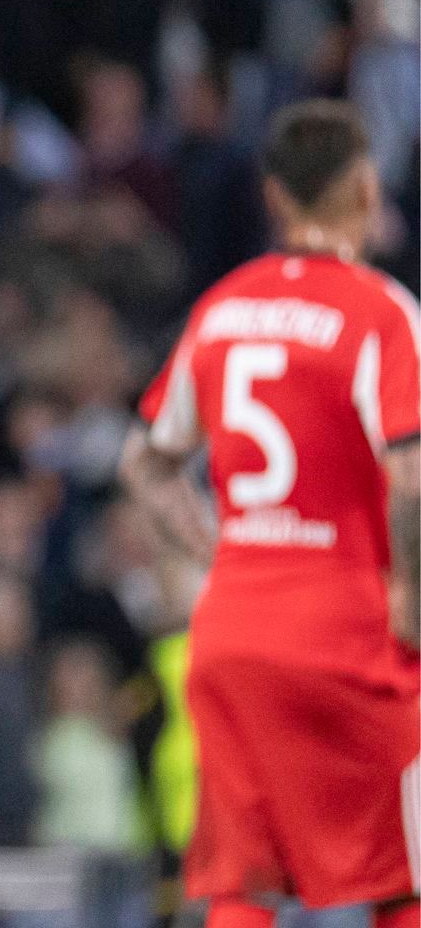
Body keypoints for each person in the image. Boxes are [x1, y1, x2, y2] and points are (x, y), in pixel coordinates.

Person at [120, 99, 419, 928]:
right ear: (364, 187)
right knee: (404, 875)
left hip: (236, 627)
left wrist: (216, 552)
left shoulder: (222, 308)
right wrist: (412, 603)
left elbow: (141, 463)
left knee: (242, 881)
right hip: (351, 629)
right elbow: (414, 474)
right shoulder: (382, 313)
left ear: (275, 197)